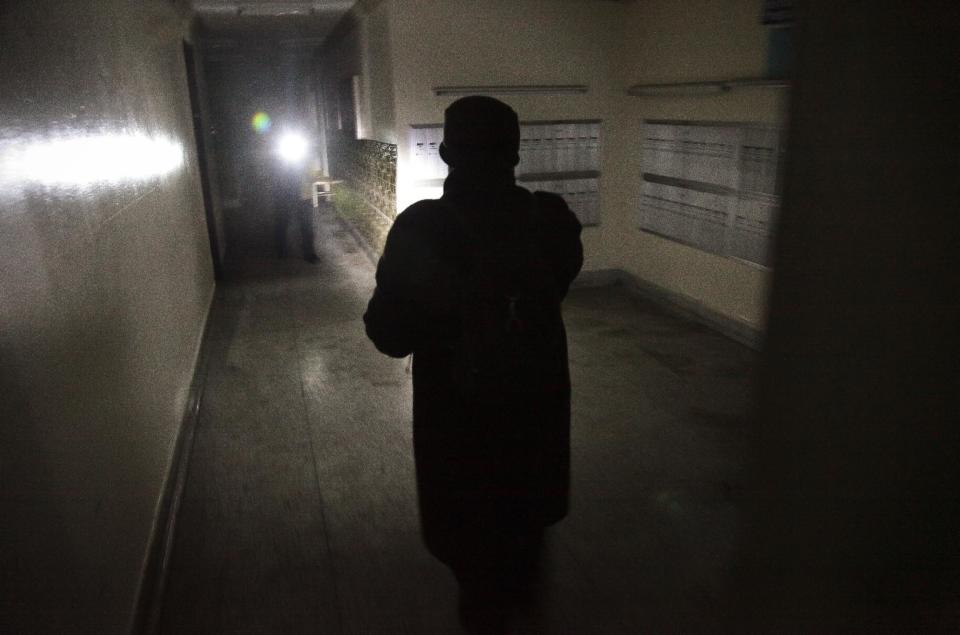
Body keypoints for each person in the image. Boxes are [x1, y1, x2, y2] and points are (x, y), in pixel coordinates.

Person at [363, 96, 583, 632]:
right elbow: (555, 288)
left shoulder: (423, 228)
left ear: (445, 152)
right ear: (515, 152)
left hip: (459, 432)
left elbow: (389, 335)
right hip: (535, 424)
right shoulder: (552, 221)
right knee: (526, 548)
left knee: (477, 577)